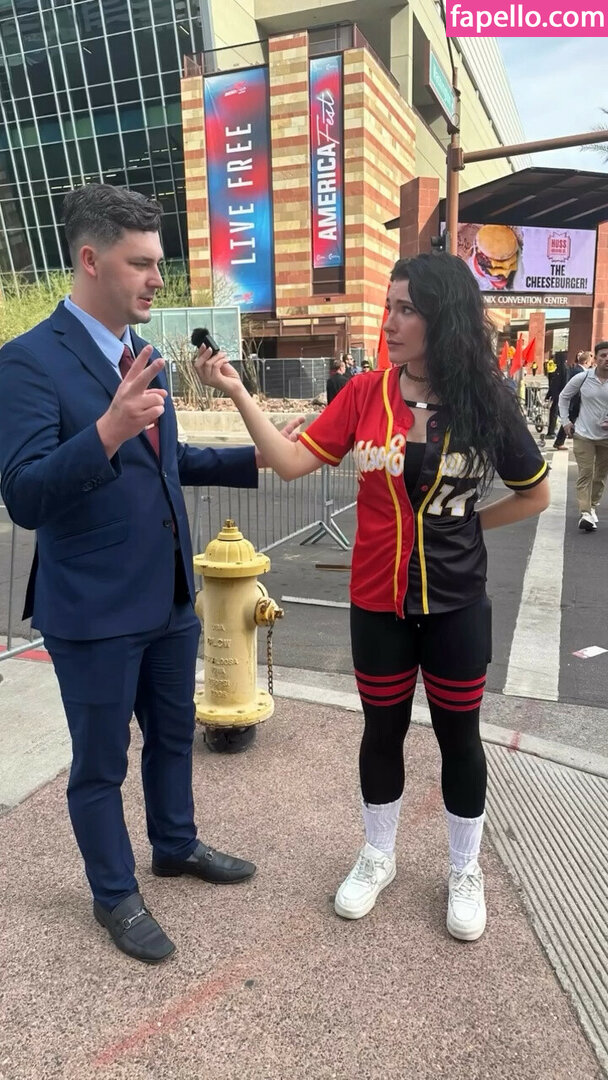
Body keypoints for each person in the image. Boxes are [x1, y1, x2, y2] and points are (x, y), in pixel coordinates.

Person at [195, 252, 550, 942]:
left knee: (458, 737)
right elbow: (291, 462)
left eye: (406, 309)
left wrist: (469, 524)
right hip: (377, 602)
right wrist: (237, 391)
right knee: (381, 731)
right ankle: (378, 854)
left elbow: (533, 492)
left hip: (456, 604)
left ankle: (464, 868)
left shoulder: (486, 402)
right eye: (389, 306)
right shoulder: (363, 395)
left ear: (443, 319)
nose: (389, 322)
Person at [0, 184, 301, 966]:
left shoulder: (140, 356)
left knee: (172, 736)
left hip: (168, 597)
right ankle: (114, 894)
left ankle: (174, 844)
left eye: (158, 263)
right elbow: (24, 493)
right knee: (101, 763)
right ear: (91, 259)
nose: (157, 279)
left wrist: (264, 454)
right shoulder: (27, 361)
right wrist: (104, 430)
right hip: (93, 607)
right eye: (140, 264)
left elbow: (165, 460)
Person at [558, 341, 608, 532]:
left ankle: (592, 506)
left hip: (606, 438)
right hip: (583, 434)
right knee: (585, 473)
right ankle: (585, 513)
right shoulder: (583, 377)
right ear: (595, 358)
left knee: (600, 476)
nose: (607, 359)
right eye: (603, 355)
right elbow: (563, 397)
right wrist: (565, 421)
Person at [553, 350, 589, 449]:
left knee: (572, 420)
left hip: (574, 401)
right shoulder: (580, 372)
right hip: (575, 401)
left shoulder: (575, 369)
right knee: (571, 420)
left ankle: (562, 440)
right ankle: (560, 441)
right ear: (586, 362)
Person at [544, 350, 567, 439]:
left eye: (555, 358)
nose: (554, 359)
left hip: (560, 396)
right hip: (556, 396)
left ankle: (553, 432)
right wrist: (548, 395)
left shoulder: (564, 369)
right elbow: (553, 384)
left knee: (556, 414)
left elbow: (564, 384)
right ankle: (551, 431)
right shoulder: (557, 369)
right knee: (554, 413)